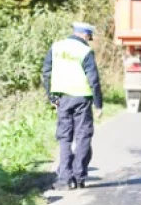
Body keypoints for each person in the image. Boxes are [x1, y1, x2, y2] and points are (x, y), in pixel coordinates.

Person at [42, 22, 103, 190]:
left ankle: (64, 179)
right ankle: (79, 176)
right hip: (82, 99)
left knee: (64, 138)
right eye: (89, 38)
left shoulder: (56, 47)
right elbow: (93, 80)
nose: (88, 41)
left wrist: (51, 97)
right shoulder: (85, 51)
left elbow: (46, 73)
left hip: (62, 99)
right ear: (85, 35)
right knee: (83, 136)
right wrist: (98, 105)